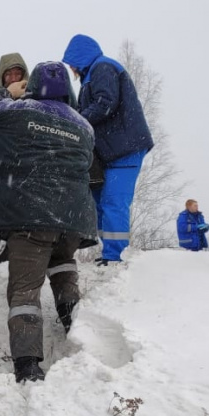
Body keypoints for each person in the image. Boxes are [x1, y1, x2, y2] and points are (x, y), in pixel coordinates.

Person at [0, 61, 98, 383]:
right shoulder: (84, 126)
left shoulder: (18, 111)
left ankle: (28, 366)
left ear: (33, 85)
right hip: (73, 218)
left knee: (25, 291)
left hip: (30, 216)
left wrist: (6, 91)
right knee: (62, 264)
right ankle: (73, 322)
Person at [63, 34, 154, 265]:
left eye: (72, 62)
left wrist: (76, 121)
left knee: (114, 201)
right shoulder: (91, 75)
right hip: (112, 152)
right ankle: (110, 253)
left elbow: (105, 103)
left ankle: (116, 256)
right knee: (102, 203)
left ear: (79, 56)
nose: (71, 68)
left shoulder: (103, 67)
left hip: (125, 149)